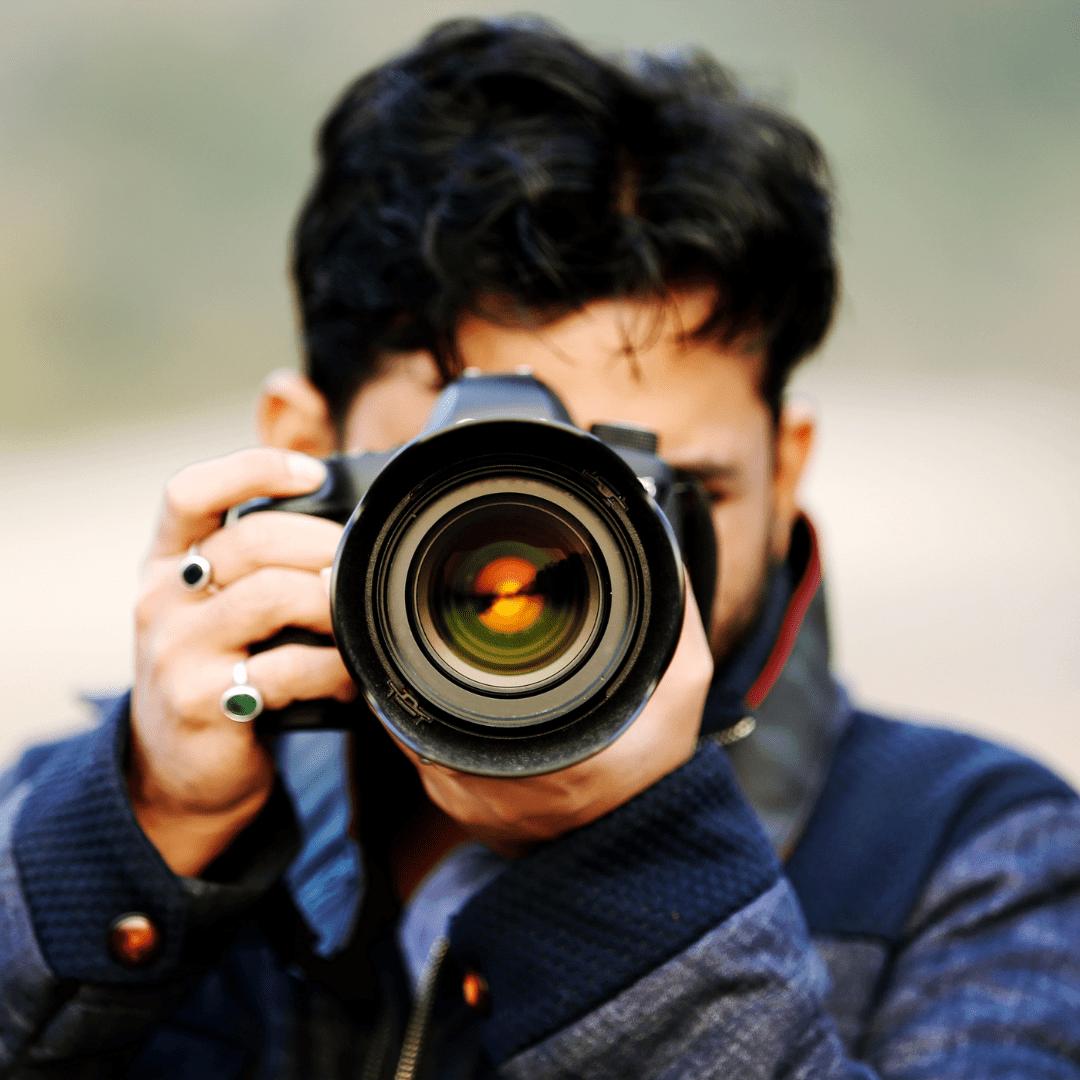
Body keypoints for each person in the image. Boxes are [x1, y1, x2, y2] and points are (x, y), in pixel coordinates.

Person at [2, 17, 1079, 1080]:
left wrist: (635, 871)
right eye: (476, 500)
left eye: (666, 496)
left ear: (785, 468)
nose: (559, 574)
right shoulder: (72, 817)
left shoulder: (976, 857)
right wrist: (132, 844)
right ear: (301, 453)